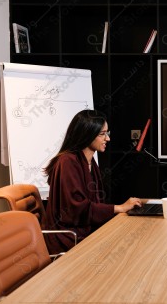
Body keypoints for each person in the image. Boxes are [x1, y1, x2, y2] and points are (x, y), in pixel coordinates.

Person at [43, 109, 142, 254]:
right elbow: (76, 210)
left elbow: (94, 204)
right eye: (102, 134)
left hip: (84, 230)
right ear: (86, 135)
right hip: (69, 237)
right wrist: (119, 208)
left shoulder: (89, 161)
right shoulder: (68, 162)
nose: (107, 138)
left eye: (107, 133)